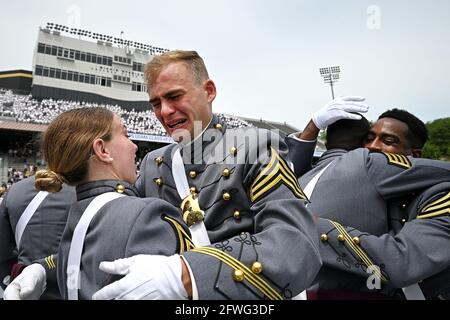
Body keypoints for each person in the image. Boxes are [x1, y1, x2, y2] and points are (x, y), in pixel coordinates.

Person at [92, 50, 322, 300]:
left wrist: (187, 274)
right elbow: (116, 230)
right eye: (156, 103)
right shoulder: (152, 165)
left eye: (174, 96)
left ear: (209, 91)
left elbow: (296, 245)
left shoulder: (256, 147)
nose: (165, 111)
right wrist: (47, 266)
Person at [4, 108, 194, 300]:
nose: (134, 146)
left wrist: (42, 268)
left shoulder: (78, 218)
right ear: (103, 150)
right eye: (126, 135)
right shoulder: (146, 215)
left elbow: (80, 275)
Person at [293, 110, 450, 299]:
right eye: (368, 139)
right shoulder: (366, 184)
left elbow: (403, 262)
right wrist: (312, 129)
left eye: (388, 141)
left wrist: (306, 226)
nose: (372, 147)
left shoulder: (440, 193)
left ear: (415, 155)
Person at [0, 175, 76, 299]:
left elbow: (2, 252)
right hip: (71, 287)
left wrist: (15, 280)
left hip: (24, 289)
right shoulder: (83, 190)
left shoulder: (15, 190)